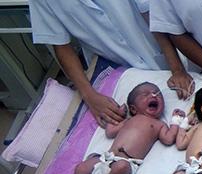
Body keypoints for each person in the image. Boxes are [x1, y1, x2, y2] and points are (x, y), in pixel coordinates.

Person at [29, 0, 193, 127]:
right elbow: (61, 46)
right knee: (127, 125)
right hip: (115, 72)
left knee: (189, 110)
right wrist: (89, 95)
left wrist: (177, 69)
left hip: (159, 52)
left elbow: (150, 14)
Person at [65, 82, 180, 174]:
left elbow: (169, 139)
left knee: (121, 166)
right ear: (134, 109)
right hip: (106, 159)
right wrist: (120, 114)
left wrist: (175, 122)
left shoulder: (159, 124)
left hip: (127, 164)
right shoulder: (128, 120)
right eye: (145, 94)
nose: (153, 95)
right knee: (81, 168)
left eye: (157, 95)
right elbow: (110, 132)